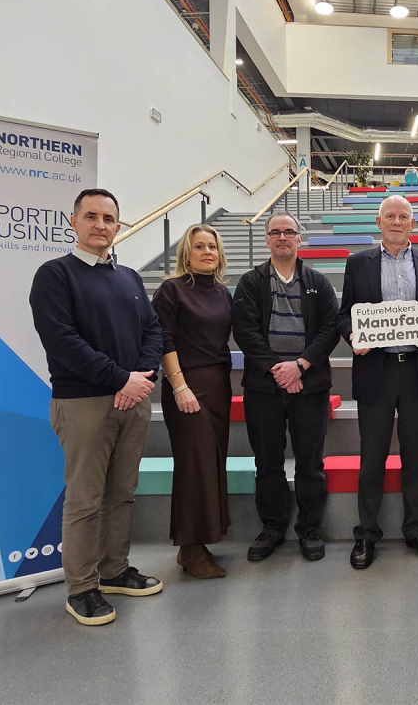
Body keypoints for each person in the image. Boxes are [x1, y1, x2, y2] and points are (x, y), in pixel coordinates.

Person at [29, 188, 163, 626]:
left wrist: (140, 379)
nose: (100, 225)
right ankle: (81, 588)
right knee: (85, 499)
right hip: (83, 402)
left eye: (108, 218)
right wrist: (120, 378)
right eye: (91, 216)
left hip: (133, 399)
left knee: (121, 493)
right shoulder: (55, 275)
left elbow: (153, 332)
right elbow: (63, 342)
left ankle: (114, 570)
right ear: (74, 222)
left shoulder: (128, 278)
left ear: (118, 226)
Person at [336, 195, 418, 569]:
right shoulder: (357, 263)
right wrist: (354, 337)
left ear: (413, 224)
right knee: (372, 457)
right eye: (390, 216)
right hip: (376, 371)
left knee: (417, 456)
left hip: (416, 370)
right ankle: (366, 534)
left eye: (404, 216)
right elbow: (344, 316)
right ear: (378, 222)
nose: (397, 221)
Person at [232, 212, 340, 562]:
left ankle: (309, 529)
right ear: (267, 239)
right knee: (267, 462)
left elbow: (329, 329)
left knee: (310, 462)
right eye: (275, 232)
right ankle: (273, 527)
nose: (282, 237)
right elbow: (245, 332)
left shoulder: (318, 283)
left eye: (288, 232)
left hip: (310, 386)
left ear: (299, 238)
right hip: (264, 387)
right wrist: (279, 371)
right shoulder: (250, 283)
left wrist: (300, 366)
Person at [151, 224, 232, 579]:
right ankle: (190, 547)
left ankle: (200, 543)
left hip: (218, 386)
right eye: (199, 246)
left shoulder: (223, 292)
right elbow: (163, 340)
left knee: (211, 464)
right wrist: (179, 386)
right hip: (186, 386)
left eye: (211, 246)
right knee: (194, 465)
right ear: (187, 252)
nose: (207, 252)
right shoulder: (171, 289)